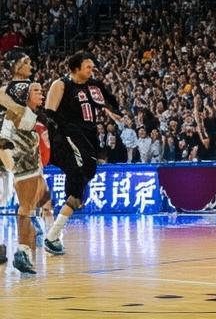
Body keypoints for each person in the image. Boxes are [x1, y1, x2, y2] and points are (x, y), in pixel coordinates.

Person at [42, 52, 125, 255]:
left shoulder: (93, 86)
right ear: (76, 68)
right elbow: (48, 116)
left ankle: (52, 233)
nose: (91, 70)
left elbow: (104, 104)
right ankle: (50, 227)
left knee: (80, 186)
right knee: (80, 175)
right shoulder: (61, 84)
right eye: (88, 67)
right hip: (67, 135)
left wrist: (114, 113)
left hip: (88, 137)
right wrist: (49, 143)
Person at [0, 50, 49, 274]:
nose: (31, 64)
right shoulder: (17, 88)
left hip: (20, 147)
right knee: (27, 205)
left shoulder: (16, 89)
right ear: (15, 66)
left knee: (31, 203)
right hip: (17, 147)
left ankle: (26, 252)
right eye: (25, 61)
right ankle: (22, 251)